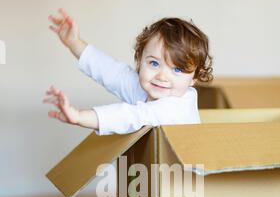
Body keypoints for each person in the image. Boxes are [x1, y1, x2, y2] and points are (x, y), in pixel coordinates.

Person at [43, 8, 213, 135]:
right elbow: (113, 73)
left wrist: (79, 116)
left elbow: (130, 117)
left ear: (194, 78)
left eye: (177, 69)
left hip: (182, 179)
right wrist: (74, 42)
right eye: (154, 63)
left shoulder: (175, 109)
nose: (161, 76)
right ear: (140, 60)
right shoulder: (149, 90)